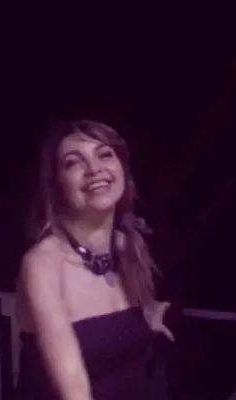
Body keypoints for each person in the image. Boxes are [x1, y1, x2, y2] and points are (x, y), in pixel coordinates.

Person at [15, 119, 174, 400]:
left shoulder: (127, 247)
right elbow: (74, 386)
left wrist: (144, 319)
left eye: (105, 154)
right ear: (56, 185)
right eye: (73, 163)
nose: (94, 169)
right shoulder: (43, 264)